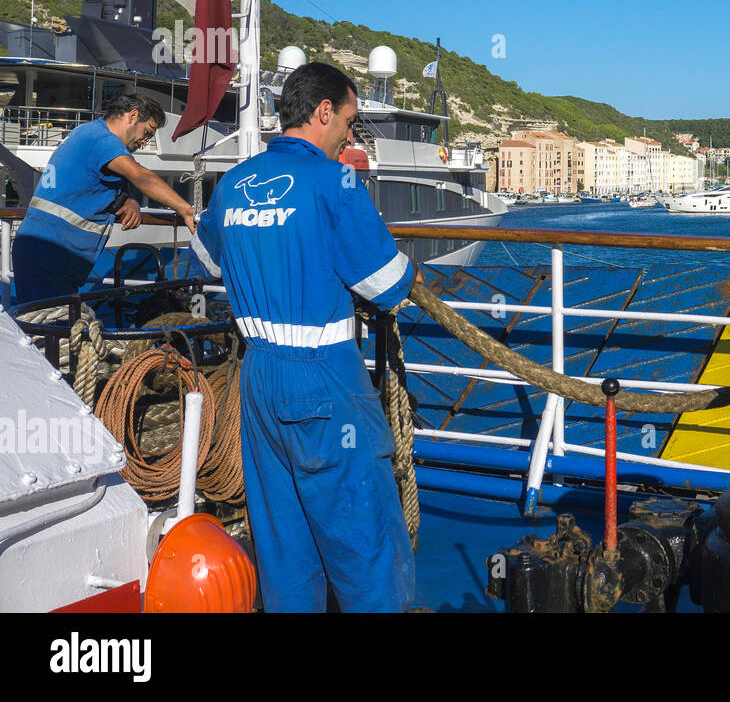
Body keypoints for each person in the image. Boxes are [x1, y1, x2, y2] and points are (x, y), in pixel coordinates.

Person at [184, 61, 423, 612]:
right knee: (367, 546)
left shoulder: (237, 180)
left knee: (284, 548)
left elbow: (207, 255)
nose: (350, 134)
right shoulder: (335, 181)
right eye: (349, 120)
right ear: (323, 112)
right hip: (323, 381)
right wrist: (410, 274)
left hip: (259, 378)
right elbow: (386, 284)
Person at [11, 94, 197, 307]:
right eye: (147, 132)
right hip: (49, 255)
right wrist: (185, 210)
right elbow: (140, 176)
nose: (145, 142)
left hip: (48, 252)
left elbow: (95, 184)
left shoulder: (88, 132)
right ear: (132, 116)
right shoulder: (102, 140)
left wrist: (129, 201)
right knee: (51, 330)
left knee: (49, 327)